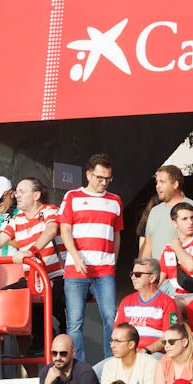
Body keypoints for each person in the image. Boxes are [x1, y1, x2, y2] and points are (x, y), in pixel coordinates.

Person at [57, 154, 124, 363]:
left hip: (104, 269)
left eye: (107, 179)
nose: (103, 182)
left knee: (110, 316)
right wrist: (75, 257)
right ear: (88, 174)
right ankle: (79, 366)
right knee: (75, 322)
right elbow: (64, 229)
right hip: (77, 269)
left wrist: (114, 260)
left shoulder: (115, 200)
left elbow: (117, 234)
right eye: (99, 177)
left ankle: (110, 362)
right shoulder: (73, 196)